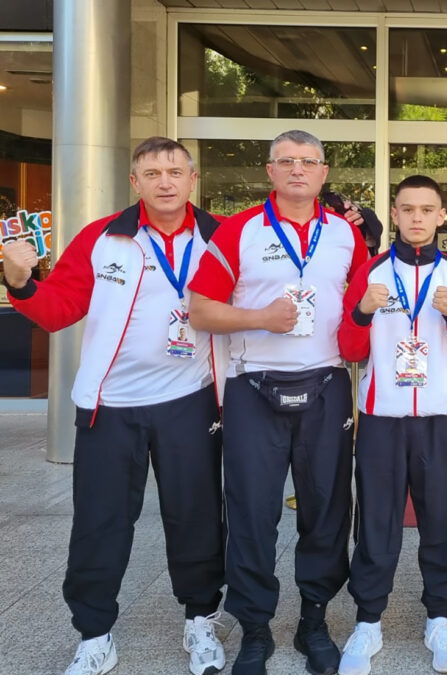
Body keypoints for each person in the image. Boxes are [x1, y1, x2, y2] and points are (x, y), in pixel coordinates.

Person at [2, 137, 228, 675]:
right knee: (101, 522)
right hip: (111, 408)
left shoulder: (223, 237)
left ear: (193, 179)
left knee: (195, 517)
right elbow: (57, 311)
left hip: (191, 402)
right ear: (136, 182)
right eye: (153, 173)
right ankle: (94, 633)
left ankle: (200, 619)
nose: (165, 181)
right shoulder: (103, 238)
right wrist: (18, 278)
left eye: (175, 171)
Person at [187, 129, 369, 675]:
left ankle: (314, 620)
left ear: (323, 172)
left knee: (326, 512)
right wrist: (260, 318)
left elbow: (364, 309)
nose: (297, 170)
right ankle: (255, 629)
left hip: (328, 386)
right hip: (252, 387)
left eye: (308, 161)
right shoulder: (238, 230)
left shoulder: (345, 235)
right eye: (286, 161)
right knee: (251, 513)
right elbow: (200, 311)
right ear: (269, 171)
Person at [337, 174, 447, 675]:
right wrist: (362, 311)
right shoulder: (371, 273)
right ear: (394, 215)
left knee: (443, 520)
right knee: (376, 521)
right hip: (382, 419)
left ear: (441, 216)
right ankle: (368, 621)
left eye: (427, 209)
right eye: (407, 209)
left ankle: (439, 617)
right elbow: (349, 350)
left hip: (442, 419)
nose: (417, 217)